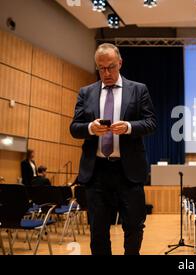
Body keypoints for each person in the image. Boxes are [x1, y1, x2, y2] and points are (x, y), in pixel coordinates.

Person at [70, 43, 157, 255]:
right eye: (101, 68)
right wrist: (91, 127)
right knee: (98, 231)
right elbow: (74, 128)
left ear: (120, 63)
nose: (106, 73)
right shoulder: (86, 92)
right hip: (97, 172)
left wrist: (128, 127)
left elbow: (151, 122)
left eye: (111, 67)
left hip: (129, 172)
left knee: (134, 227)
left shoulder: (138, 89)